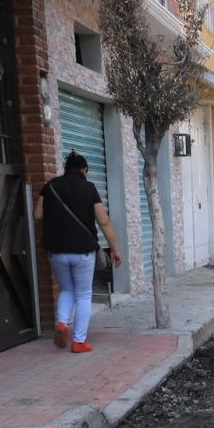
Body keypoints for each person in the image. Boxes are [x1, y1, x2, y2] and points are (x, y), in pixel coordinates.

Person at [35, 151, 120, 353]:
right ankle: (78, 341)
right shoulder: (89, 188)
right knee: (83, 294)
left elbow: (37, 215)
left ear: (66, 168)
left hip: (56, 251)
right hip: (82, 251)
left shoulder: (50, 186)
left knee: (66, 290)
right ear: (84, 170)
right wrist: (114, 249)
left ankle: (62, 323)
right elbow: (104, 222)